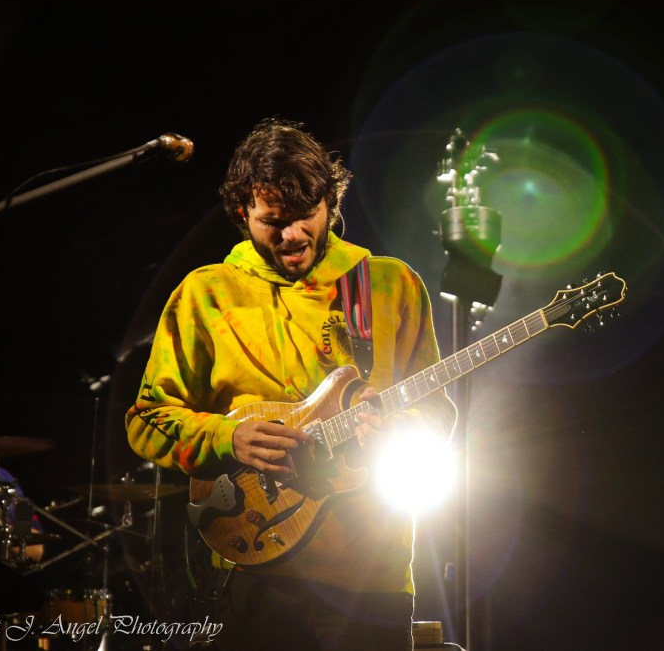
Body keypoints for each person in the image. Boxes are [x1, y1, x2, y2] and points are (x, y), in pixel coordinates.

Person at [125, 117, 456, 651]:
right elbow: (146, 419)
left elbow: (436, 411)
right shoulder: (205, 294)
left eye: (306, 216)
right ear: (242, 213)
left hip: (370, 572)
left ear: (331, 203)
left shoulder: (390, 284)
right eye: (273, 221)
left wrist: (396, 429)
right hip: (248, 566)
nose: (293, 234)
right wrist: (228, 438)